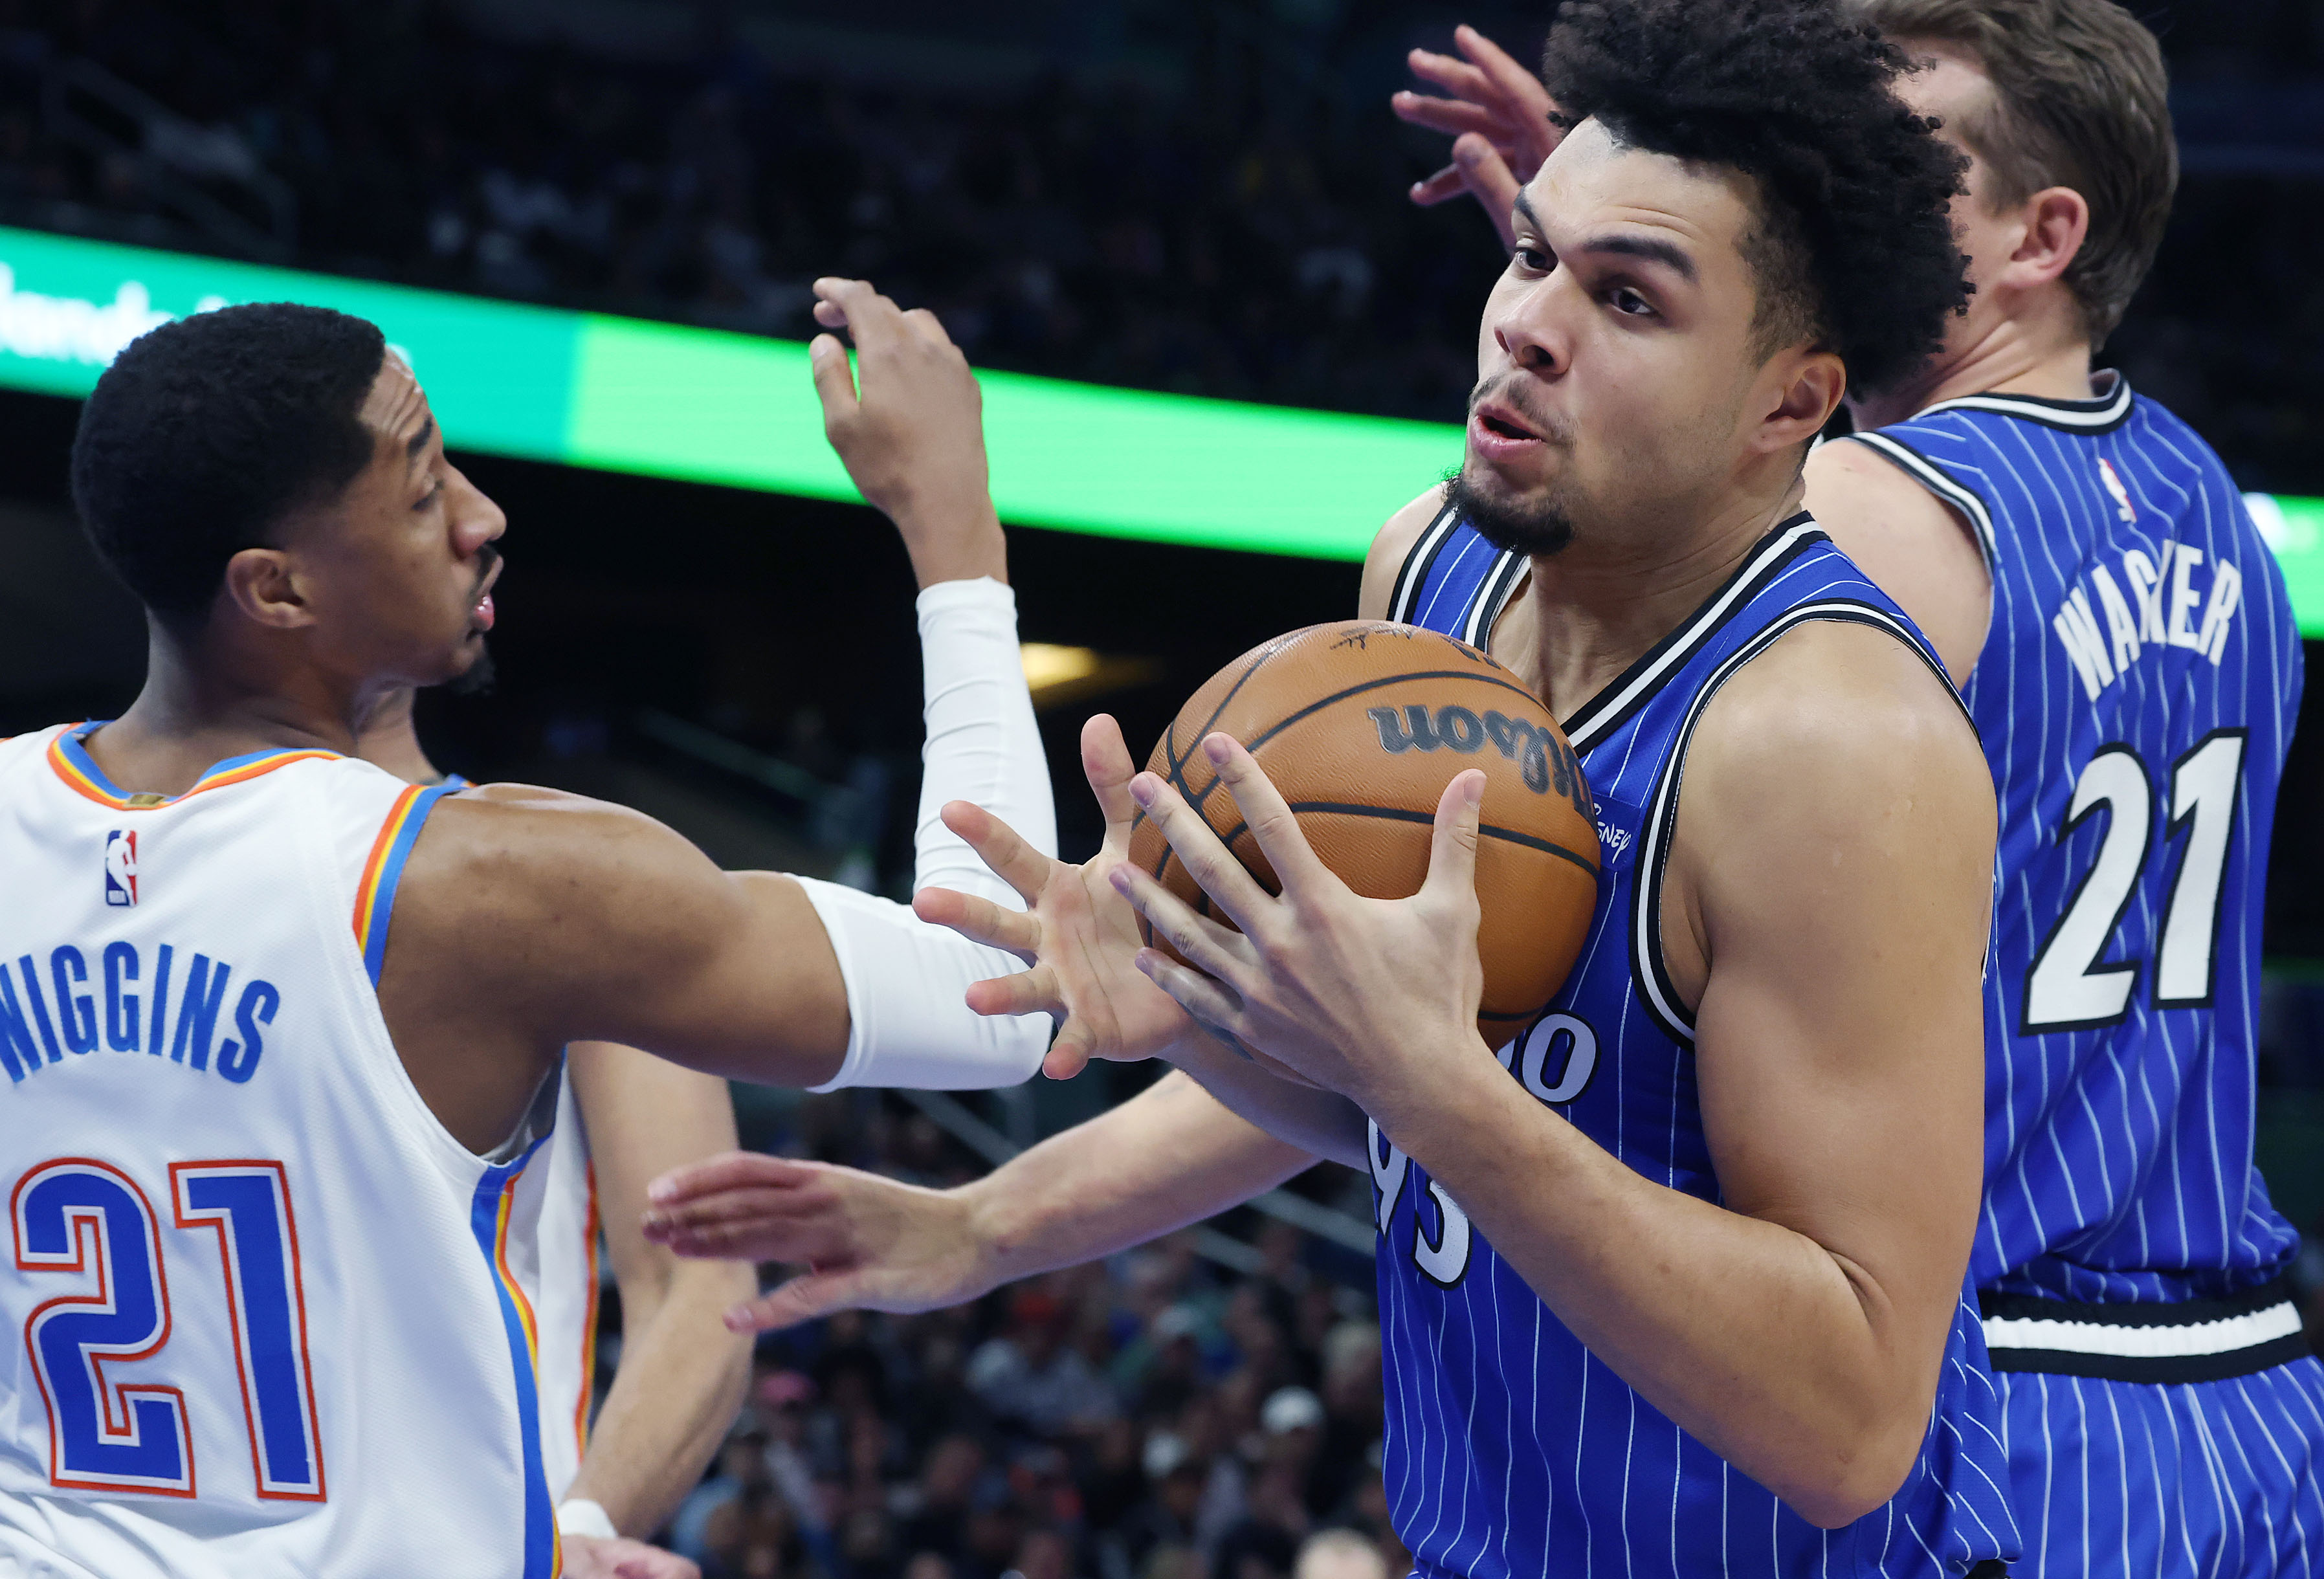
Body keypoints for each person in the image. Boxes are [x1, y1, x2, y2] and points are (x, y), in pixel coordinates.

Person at [649, 0, 2022, 1569]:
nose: (1528, 326)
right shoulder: (1427, 566)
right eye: (1530, 258)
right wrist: (1120, 1099)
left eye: (1628, 299)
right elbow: (1367, 1083)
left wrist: (1428, 1082)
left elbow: (1848, 1425)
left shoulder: (1831, 742)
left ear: (1788, 401)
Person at [1392, 1, 2324, 1570]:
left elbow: (1688, 467)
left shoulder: (1885, 511)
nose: (1841, 185)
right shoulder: (2212, 510)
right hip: (2239, 1394)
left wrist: (1630, 227)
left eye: (1893, 161)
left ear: (2039, 235)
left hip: (1997, 1398)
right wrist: (1620, 234)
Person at [0, 278, 1059, 1577]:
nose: (484, 516)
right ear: (274, 590)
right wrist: (954, 534)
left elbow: (695, 1293)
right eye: (422, 488)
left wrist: (586, 1520)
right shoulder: (492, 883)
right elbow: (1000, 984)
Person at [353, 685, 753, 1579]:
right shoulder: (97, 861)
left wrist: (578, 1531)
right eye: (422, 528)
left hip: (487, 1543)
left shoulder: (565, 878)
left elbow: (702, 1286)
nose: (483, 535)